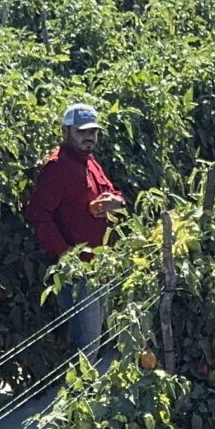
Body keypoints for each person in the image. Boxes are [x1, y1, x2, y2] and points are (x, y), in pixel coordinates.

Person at [21, 103, 127, 356]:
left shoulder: (90, 162)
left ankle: (89, 391)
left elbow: (114, 194)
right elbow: (37, 213)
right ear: (66, 131)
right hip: (80, 273)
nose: (89, 137)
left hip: (101, 265)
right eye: (82, 132)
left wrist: (116, 202)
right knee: (87, 344)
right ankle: (80, 393)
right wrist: (67, 255)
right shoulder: (58, 167)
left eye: (93, 132)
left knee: (98, 337)